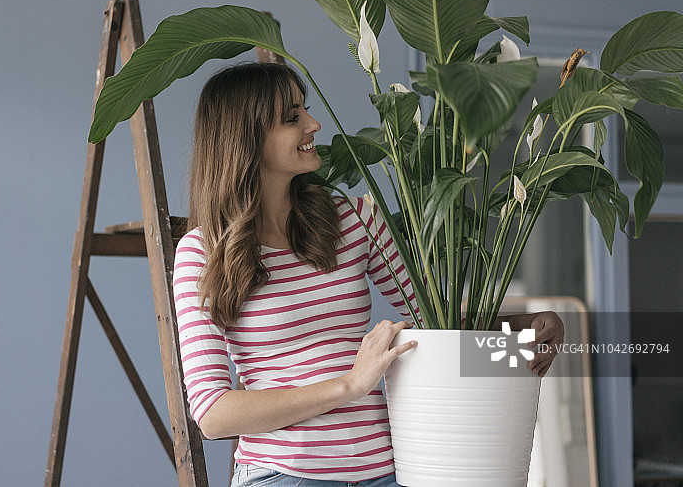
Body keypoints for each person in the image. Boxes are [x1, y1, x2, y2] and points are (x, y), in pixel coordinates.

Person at [172, 62, 563, 486]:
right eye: (293, 118)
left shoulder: (355, 220)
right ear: (244, 139)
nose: (314, 124)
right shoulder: (202, 252)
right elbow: (213, 414)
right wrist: (349, 384)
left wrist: (521, 330)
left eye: (306, 110)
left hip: (389, 475)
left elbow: (438, 328)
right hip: (283, 476)